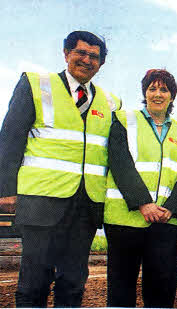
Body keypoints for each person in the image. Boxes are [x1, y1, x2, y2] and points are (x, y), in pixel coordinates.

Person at [0, 30, 120, 307]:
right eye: (81, 53)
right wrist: (6, 190)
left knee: (74, 280)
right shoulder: (36, 85)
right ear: (66, 54)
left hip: (85, 204)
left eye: (94, 57)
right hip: (41, 200)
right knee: (34, 280)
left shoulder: (110, 102)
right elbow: (11, 137)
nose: (87, 60)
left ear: (101, 64)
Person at [103, 69, 177, 307]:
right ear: (144, 92)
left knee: (161, 291)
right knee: (121, 290)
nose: (157, 94)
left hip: (166, 222)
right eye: (152, 88)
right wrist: (143, 203)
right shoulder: (123, 119)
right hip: (126, 220)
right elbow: (120, 163)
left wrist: (172, 208)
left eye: (164, 89)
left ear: (172, 96)